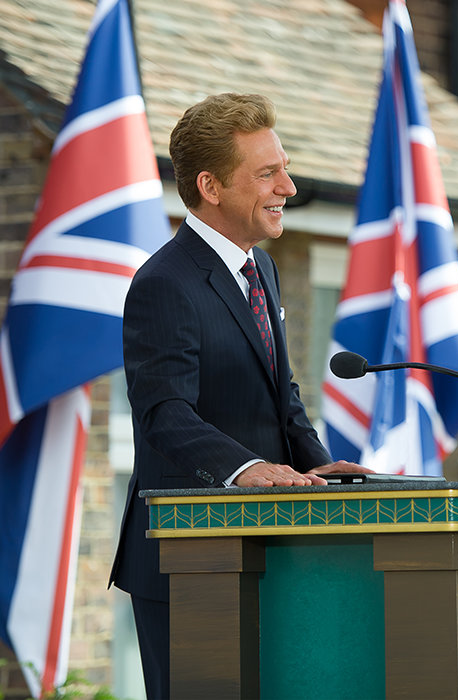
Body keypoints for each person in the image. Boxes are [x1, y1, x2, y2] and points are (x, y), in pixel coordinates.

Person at [109, 93, 369, 699]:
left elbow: (283, 394)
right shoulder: (163, 284)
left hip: (269, 557)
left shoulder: (262, 271)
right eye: (267, 173)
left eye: (284, 167)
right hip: (190, 561)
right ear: (211, 186)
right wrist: (246, 469)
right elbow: (163, 412)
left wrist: (317, 468)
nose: (289, 185)